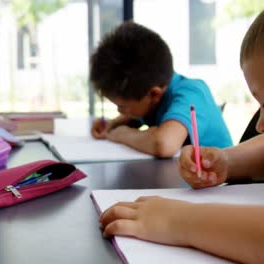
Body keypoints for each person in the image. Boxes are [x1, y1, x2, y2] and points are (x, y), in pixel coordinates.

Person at [99, 11, 264, 263]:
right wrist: (226, 162)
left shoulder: (188, 91)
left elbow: (163, 143)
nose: (260, 125)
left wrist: (176, 220)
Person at [89, 22, 232, 158]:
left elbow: (164, 144)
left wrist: (122, 134)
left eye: (122, 106)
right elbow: (136, 116)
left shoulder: (191, 93)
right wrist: (112, 124)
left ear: (154, 94)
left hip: (222, 181)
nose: (120, 112)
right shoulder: (151, 94)